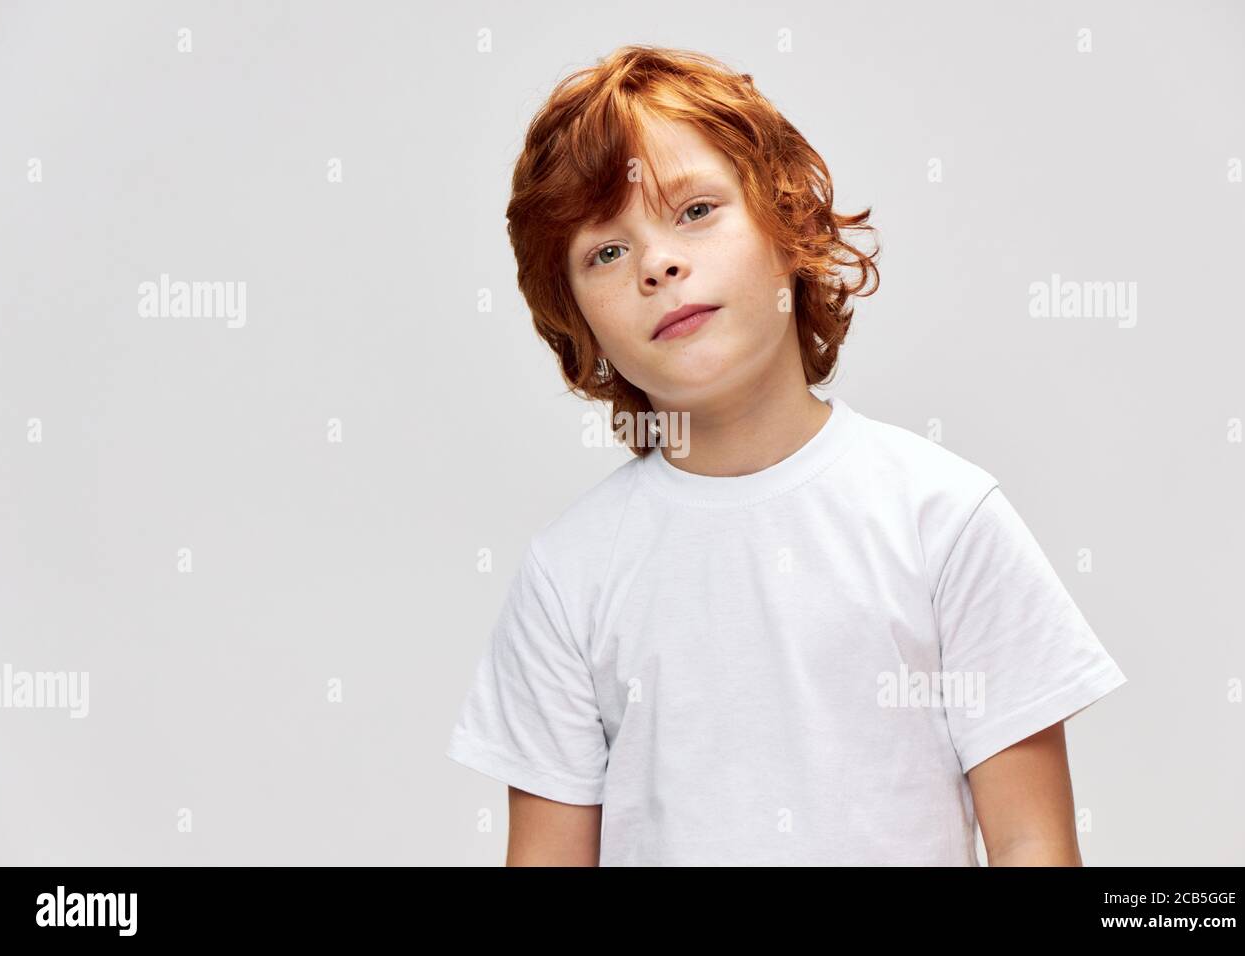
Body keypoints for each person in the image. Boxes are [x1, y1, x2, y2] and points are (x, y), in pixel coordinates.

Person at [444, 44, 1127, 866]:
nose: (658, 263)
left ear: (787, 223)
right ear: (576, 323)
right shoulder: (568, 577)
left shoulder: (944, 519)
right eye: (606, 253)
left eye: (694, 211)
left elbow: (1032, 845)